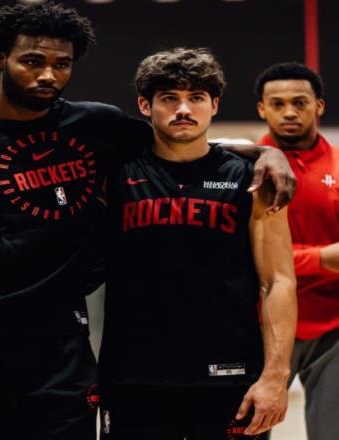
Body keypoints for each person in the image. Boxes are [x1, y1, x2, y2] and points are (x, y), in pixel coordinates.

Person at [0, 3, 295, 440]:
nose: (48, 75)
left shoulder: (95, 125)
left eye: (61, 64)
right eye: (33, 61)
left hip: (63, 352)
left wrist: (266, 150)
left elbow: (182, 139)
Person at [98, 48, 297, 440]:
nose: (184, 109)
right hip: (134, 376)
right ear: (145, 105)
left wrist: (275, 376)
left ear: (214, 105)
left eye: (197, 98)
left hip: (229, 374)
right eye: (169, 98)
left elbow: (278, 281)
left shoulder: (252, 179)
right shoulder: (115, 174)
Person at [255, 62, 339, 440]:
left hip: (332, 327)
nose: (289, 112)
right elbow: (246, 257)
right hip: (260, 323)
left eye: (300, 102)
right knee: (245, 429)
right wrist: (320, 258)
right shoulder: (241, 169)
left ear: (319, 106)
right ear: (262, 108)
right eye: (278, 103)